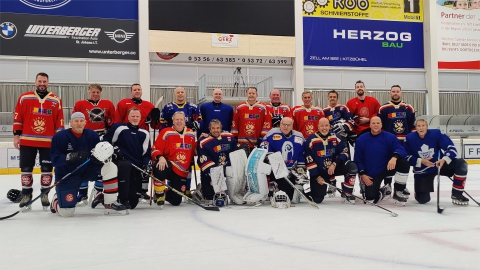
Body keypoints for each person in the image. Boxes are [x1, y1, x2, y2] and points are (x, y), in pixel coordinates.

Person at [49, 112, 126, 216]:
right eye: (76, 121)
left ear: (85, 122)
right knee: (66, 213)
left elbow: (98, 153)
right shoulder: (60, 137)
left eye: (81, 121)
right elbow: (54, 159)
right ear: (71, 123)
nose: (79, 123)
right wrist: (69, 157)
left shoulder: (92, 135)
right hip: (68, 174)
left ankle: (110, 203)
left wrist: (102, 157)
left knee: (110, 166)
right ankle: (56, 199)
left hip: (88, 170)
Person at [13, 72, 64, 210]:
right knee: (26, 169)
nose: (42, 84)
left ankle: (44, 194)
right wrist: (16, 135)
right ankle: (26, 195)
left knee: (47, 169)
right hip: (27, 140)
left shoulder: (55, 100)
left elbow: (59, 121)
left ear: (48, 83)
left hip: (48, 142)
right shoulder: (25, 98)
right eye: (40, 81)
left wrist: (59, 139)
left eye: (44, 81)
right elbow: (18, 117)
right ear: (35, 82)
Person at [404, 119, 469, 205]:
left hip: (439, 164)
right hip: (423, 170)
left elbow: (451, 148)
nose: (421, 128)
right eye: (418, 126)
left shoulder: (436, 134)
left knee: (461, 164)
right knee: (423, 199)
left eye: (423, 125)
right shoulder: (409, 138)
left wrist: (444, 159)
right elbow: (406, 156)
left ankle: (457, 194)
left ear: (427, 127)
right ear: (415, 128)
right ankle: (419, 192)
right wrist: (420, 161)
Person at [73, 83, 115, 206]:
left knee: (101, 164)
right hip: (85, 136)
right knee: (82, 163)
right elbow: (75, 121)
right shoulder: (80, 104)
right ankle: (82, 193)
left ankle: (98, 191)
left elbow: (113, 120)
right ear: (89, 92)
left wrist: (109, 124)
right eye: (93, 92)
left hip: (102, 137)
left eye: (97, 92)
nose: (95, 94)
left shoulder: (108, 104)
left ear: (100, 93)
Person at [115, 83, 159, 201]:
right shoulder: (123, 103)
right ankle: (124, 188)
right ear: (131, 92)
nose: (137, 91)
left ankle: (143, 190)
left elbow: (155, 126)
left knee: (144, 161)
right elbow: (117, 121)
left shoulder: (149, 105)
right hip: (127, 138)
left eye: (139, 89)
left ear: (142, 91)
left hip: (143, 137)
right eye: (134, 90)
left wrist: (155, 119)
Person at [103, 108, 151, 211]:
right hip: (120, 163)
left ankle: (105, 197)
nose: (135, 118)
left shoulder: (145, 133)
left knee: (132, 204)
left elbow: (146, 153)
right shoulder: (119, 128)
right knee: (125, 166)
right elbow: (105, 142)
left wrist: (146, 164)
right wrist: (114, 150)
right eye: (132, 116)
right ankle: (122, 199)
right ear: (128, 117)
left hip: (135, 166)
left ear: (140, 118)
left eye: (137, 116)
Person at [354, 116, 410, 205]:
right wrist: (363, 174)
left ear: (381, 125)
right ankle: (383, 191)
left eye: (378, 123)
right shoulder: (361, 140)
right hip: (373, 172)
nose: (376, 125)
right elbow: (358, 160)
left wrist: (394, 157)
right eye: (373, 123)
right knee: (370, 199)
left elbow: (401, 149)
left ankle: (398, 190)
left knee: (403, 163)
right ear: (370, 125)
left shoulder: (389, 137)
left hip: (388, 167)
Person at [160, 86, 203, 199]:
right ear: (175, 94)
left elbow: (200, 120)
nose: (180, 94)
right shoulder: (168, 107)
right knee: (172, 163)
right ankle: (171, 188)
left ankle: (187, 188)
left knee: (187, 163)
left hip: (187, 138)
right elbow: (162, 123)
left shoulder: (193, 107)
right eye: (178, 92)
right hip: (172, 140)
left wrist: (196, 125)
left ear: (185, 94)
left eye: (182, 92)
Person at [304, 118, 358, 204]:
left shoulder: (336, 137)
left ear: (330, 126)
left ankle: (347, 191)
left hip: (333, 168)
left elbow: (345, 151)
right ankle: (310, 190)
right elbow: (309, 161)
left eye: (326, 125)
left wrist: (335, 163)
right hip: (320, 172)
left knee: (351, 166)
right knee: (317, 199)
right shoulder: (310, 140)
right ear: (317, 127)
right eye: (322, 126)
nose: (324, 128)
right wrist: (317, 176)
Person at [152, 111, 197, 207]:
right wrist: (160, 157)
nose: (179, 121)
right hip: (169, 165)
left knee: (176, 201)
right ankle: (159, 194)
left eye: (181, 119)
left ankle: (165, 192)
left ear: (185, 121)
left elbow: (195, 149)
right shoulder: (166, 132)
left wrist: (204, 138)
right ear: (173, 121)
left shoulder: (191, 133)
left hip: (182, 171)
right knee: (159, 166)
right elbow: (155, 148)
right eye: (177, 119)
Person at [378, 85, 415, 197]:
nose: (395, 93)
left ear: (401, 93)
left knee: (404, 164)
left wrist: (411, 140)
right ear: (390, 93)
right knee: (389, 163)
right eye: (393, 91)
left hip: (404, 142)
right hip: (389, 142)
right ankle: (387, 184)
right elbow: (381, 126)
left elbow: (411, 125)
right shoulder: (383, 108)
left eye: (397, 91)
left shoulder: (408, 108)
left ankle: (401, 185)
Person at [260, 117, 305, 202]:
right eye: (284, 124)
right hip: (276, 169)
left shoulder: (299, 136)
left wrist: (301, 168)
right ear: (280, 125)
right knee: (277, 193)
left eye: (288, 125)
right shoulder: (272, 133)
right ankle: (273, 185)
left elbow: (302, 153)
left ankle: (295, 188)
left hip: (291, 171)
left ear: (292, 126)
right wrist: (270, 157)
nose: (286, 127)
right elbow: (264, 144)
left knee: (288, 195)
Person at [196, 119, 237, 204]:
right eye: (213, 128)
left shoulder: (229, 137)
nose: (216, 130)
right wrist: (216, 173)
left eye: (218, 128)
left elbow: (235, 153)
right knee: (209, 196)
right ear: (210, 129)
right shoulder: (204, 142)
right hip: (211, 172)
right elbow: (204, 161)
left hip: (227, 168)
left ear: (221, 128)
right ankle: (203, 189)